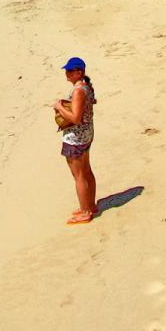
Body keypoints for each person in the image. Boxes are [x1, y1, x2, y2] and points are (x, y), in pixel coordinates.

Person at [53, 56, 97, 224]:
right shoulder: (87, 87)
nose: (67, 73)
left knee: (79, 175)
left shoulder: (78, 91)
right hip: (87, 133)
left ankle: (85, 212)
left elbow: (75, 118)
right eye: (67, 70)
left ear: (80, 72)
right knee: (86, 171)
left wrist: (58, 107)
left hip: (76, 137)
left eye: (70, 71)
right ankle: (90, 205)